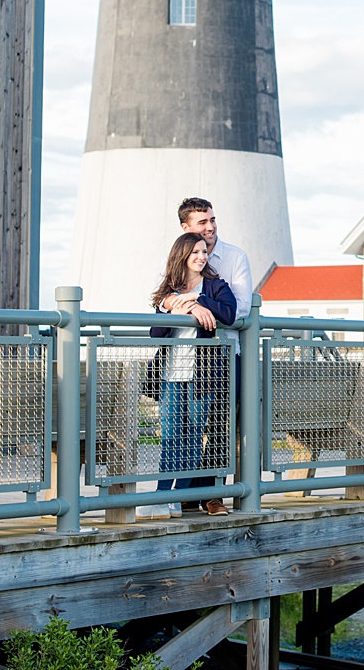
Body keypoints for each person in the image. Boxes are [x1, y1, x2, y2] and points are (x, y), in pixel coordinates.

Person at [173, 197, 253, 513]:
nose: (210, 227)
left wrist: (195, 303)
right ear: (185, 227)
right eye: (202, 222)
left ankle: (210, 494)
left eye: (212, 220)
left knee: (218, 425)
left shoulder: (234, 257)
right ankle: (182, 494)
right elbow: (161, 295)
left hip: (223, 353)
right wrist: (185, 303)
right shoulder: (179, 255)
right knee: (181, 429)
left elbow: (242, 309)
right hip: (183, 358)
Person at [150, 232, 238, 516]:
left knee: (192, 436)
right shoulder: (169, 290)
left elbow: (229, 314)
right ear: (182, 256)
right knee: (171, 437)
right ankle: (162, 497)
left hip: (203, 376)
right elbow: (157, 333)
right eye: (195, 253)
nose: (202, 257)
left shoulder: (215, 286)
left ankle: (177, 496)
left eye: (204, 252)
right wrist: (172, 304)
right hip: (172, 374)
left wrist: (198, 302)